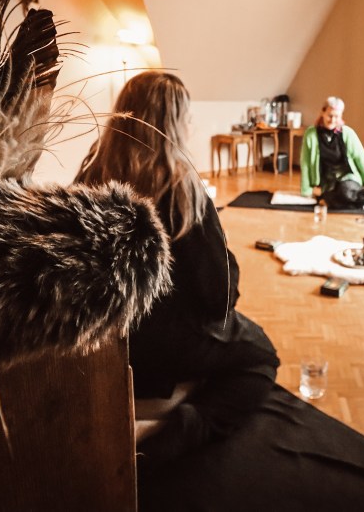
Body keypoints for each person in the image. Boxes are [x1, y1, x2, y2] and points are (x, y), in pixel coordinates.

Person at [75, 71, 280, 466]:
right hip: (163, 343)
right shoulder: (181, 190)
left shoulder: (90, 176)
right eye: (187, 117)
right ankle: (188, 427)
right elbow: (220, 298)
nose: (191, 125)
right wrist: (225, 254)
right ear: (171, 124)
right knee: (261, 355)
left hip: (105, 340)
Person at [300, 96, 364, 209]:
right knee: (331, 199)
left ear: (341, 116)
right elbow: (305, 163)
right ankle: (363, 201)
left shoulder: (348, 134)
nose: (333, 120)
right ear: (323, 113)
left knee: (345, 193)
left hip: (348, 178)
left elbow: (362, 160)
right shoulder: (311, 134)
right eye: (330, 115)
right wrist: (306, 191)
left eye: (336, 116)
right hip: (328, 182)